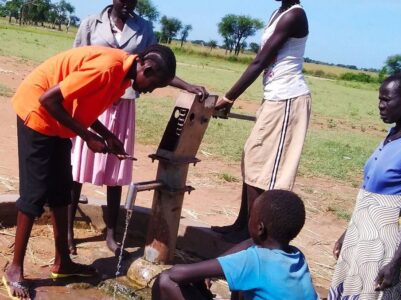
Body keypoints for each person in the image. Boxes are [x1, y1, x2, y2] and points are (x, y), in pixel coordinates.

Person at [3, 44, 177, 300]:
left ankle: (63, 263)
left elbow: (82, 104)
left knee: (62, 191)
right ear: (147, 67)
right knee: (34, 194)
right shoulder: (107, 68)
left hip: (58, 121)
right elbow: (48, 99)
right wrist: (87, 137)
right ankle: (14, 269)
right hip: (38, 113)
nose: (150, 90)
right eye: (154, 84)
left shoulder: (122, 77)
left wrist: (108, 136)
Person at [68, 0, 207, 256]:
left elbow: (157, 67)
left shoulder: (143, 28)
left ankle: (111, 232)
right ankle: (67, 232)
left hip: (123, 103)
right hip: (92, 99)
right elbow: (76, 60)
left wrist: (187, 85)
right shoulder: (91, 23)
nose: (127, 3)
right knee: (78, 166)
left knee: (116, 168)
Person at [329, 72, 401, 299]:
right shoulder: (392, 135)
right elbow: (368, 196)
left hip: (385, 242)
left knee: (372, 292)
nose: (380, 106)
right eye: (380, 99)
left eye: (386, 100)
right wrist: (348, 233)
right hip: (361, 234)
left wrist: (396, 262)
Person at [212, 0, 311, 242]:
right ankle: (242, 225)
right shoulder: (279, 13)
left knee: (266, 170)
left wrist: (229, 97)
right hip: (275, 97)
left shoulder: (294, 16)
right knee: (253, 158)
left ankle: (253, 234)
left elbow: (260, 61)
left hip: (287, 99)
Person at [152, 190, 319, 300]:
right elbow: (251, 243)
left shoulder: (256, 260)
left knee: (165, 280)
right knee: (240, 285)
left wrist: (201, 273)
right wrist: (206, 273)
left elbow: (177, 274)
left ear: (259, 227)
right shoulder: (296, 257)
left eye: (250, 216)